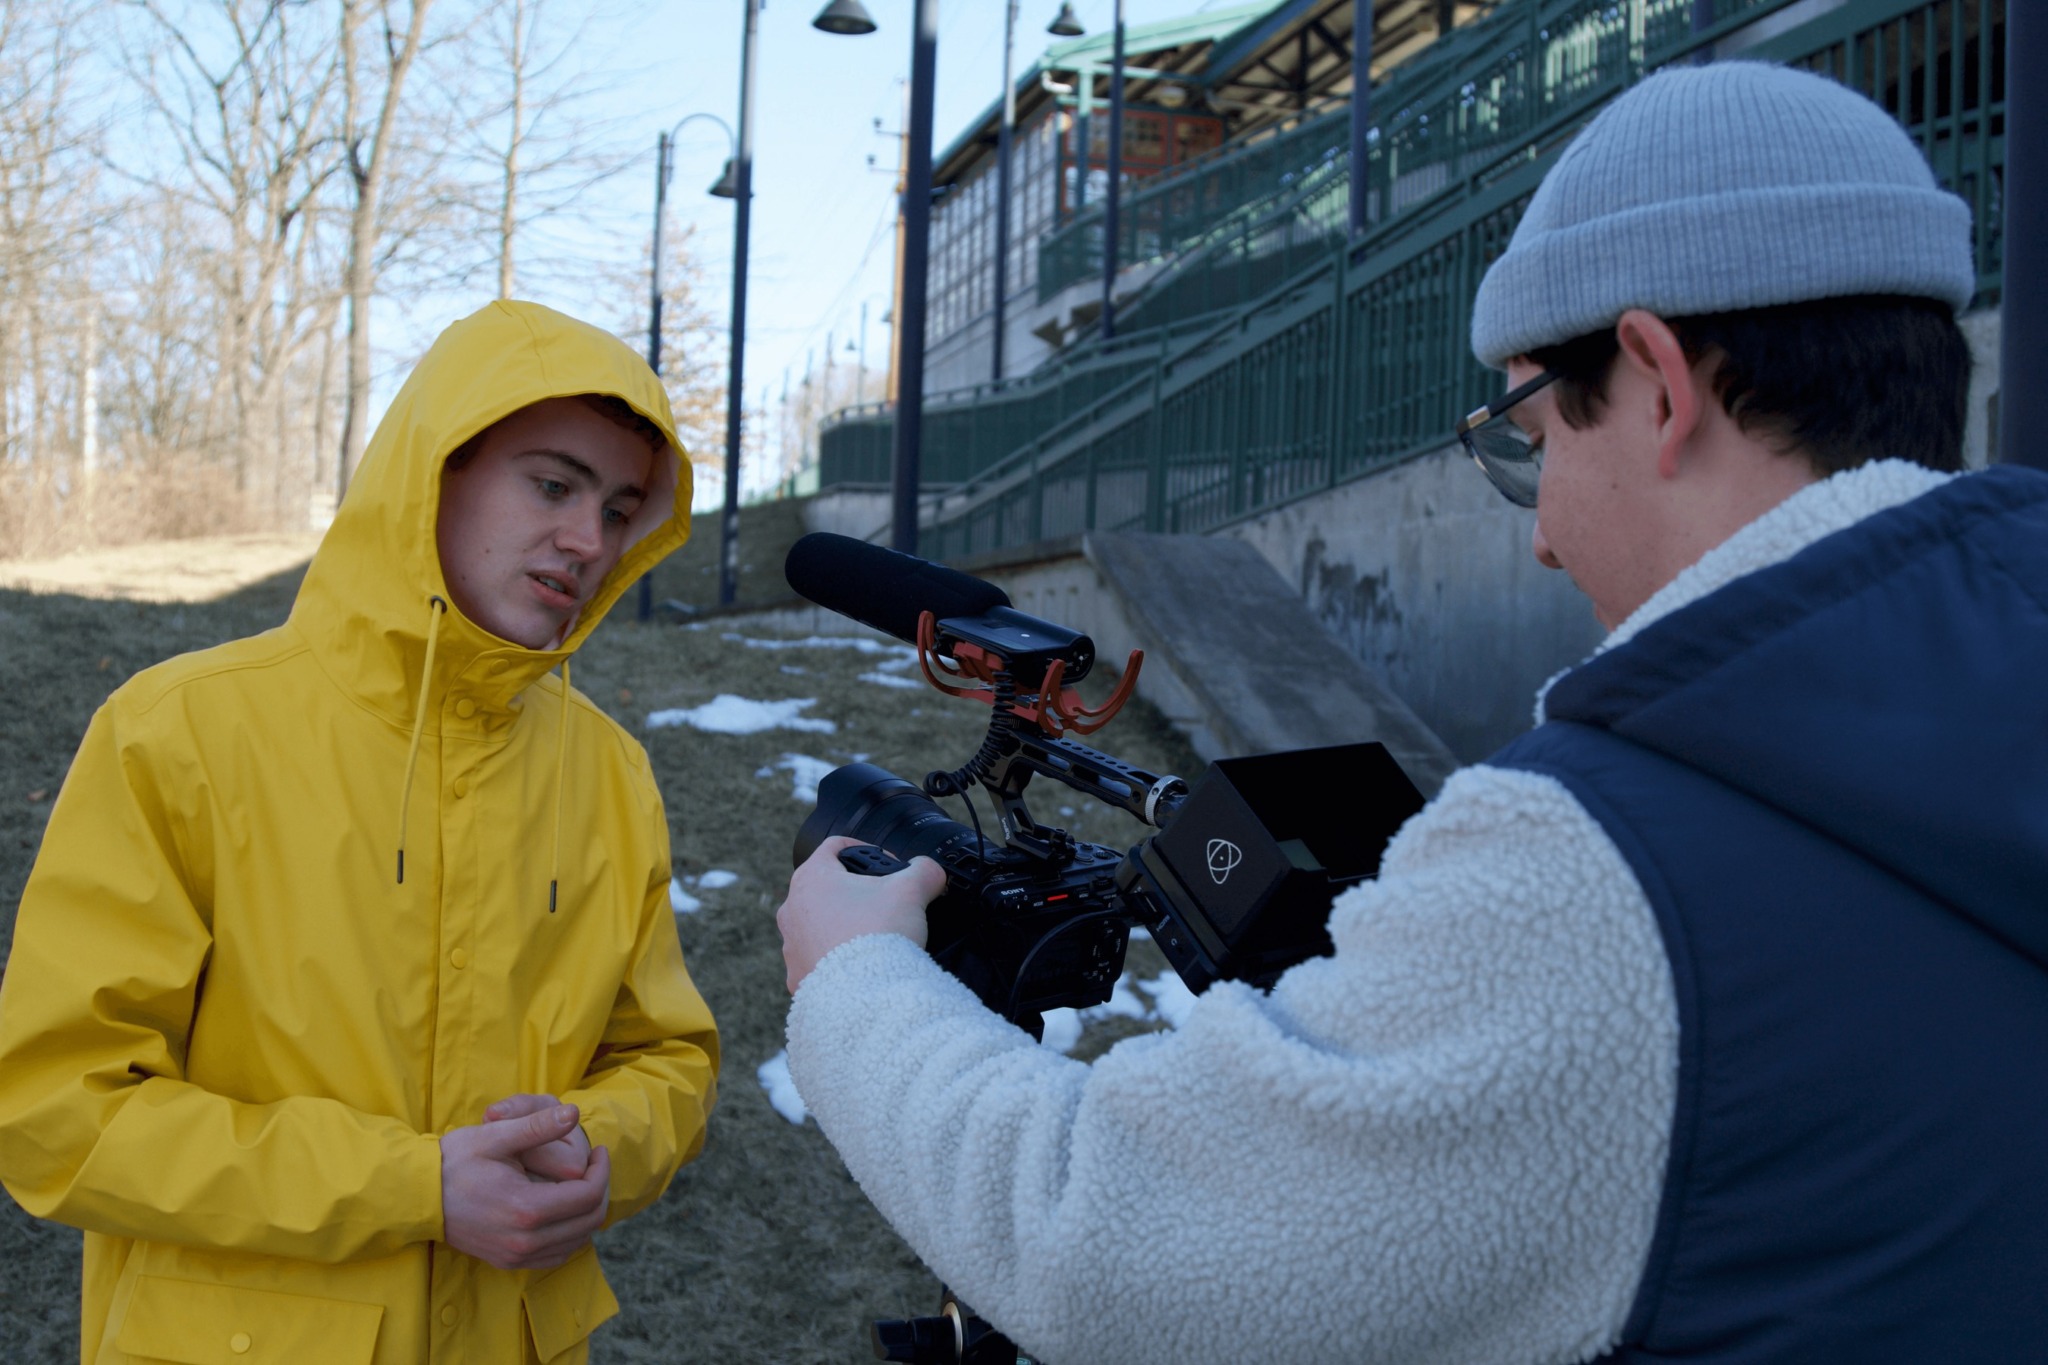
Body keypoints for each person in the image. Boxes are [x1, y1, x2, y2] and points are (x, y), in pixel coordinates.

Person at [774, 62, 2048, 1364]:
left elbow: (1103, 1247)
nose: (1543, 536)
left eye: (1535, 441)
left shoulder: (1611, 876)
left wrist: (854, 977)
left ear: (1660, 384)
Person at [0, 300, 720, 1364]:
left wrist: (598, 1148)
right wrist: (413, 1185)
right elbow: (59, 1111)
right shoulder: (178, 731)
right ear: (432, 473)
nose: (588, 541)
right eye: (553, 485)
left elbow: (666, 1056)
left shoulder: (609, 772)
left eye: (619, 510)